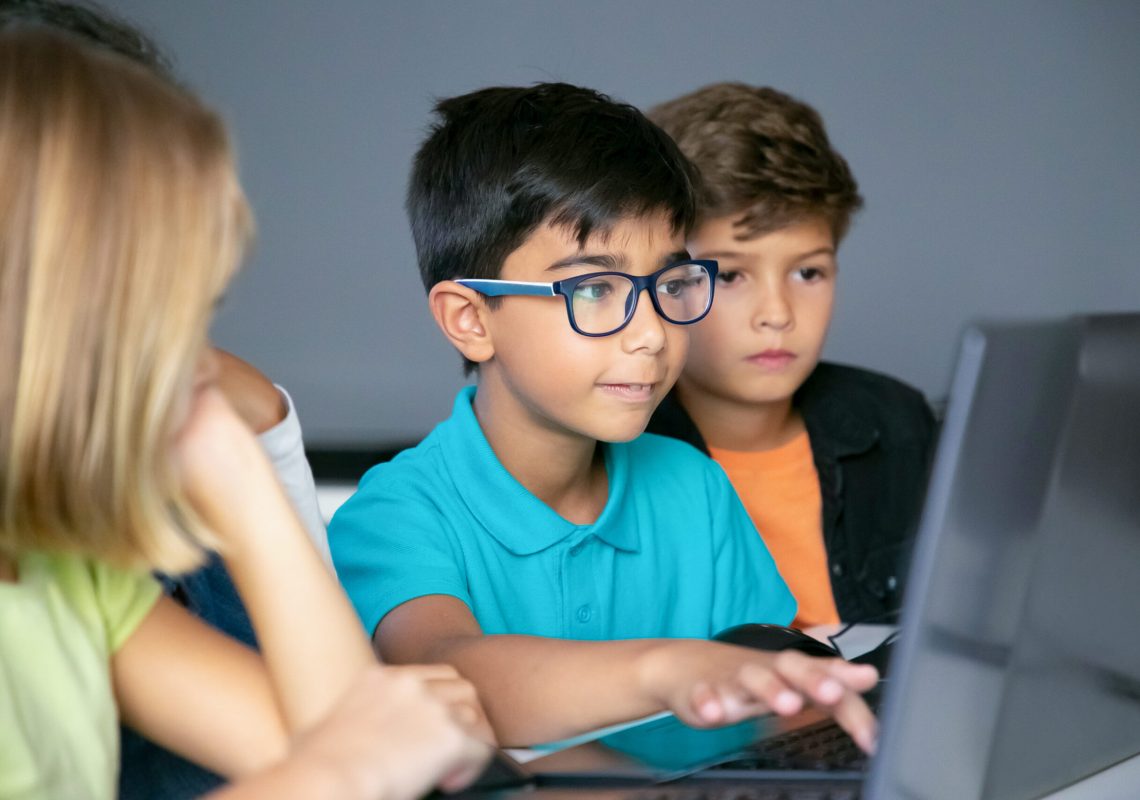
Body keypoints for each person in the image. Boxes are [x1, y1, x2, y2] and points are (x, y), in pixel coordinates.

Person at [0, 28, 489, 799]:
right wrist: (346, 767)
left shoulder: (68, 575)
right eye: (168, 316)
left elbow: (348, 742)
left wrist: (236, 466)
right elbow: (351, 760)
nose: (203, 363)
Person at [328, 82, 880, 752]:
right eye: (593, 288)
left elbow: (764, 701)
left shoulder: (694, 487)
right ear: (471, 319)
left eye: (670, 284)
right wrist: (664, 668)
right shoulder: (397, 514)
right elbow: (448, 672)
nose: (650, 332)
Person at [646, 83, 937, 627]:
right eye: (730, 275)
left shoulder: (898, 424)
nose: (777, 313)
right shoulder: (617, 459)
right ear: (660, 281)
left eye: (809, 272)